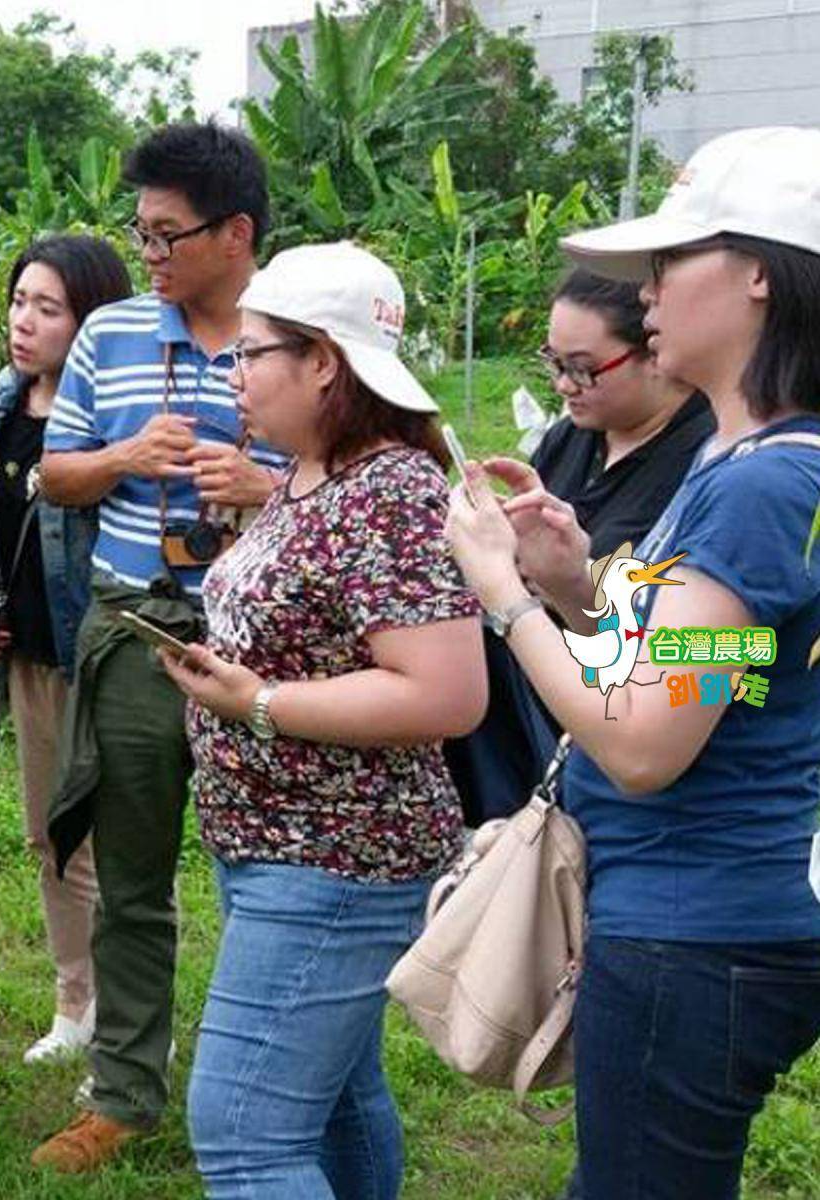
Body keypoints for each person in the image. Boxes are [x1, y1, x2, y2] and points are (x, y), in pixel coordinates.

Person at [446, 125, 820, 1199]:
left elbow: (646, 742)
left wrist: (507, 598)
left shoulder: (759, 484)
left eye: (672, 260)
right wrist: (576, 584)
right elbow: (727, 678)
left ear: (758, 273)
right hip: (714, 919)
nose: (646, 291)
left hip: (693, 934)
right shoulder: (754, 456)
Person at [159, 241, 485, 1198]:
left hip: (336, 858)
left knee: (245, 1130)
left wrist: (256, 702)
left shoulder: (388, 490)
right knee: (335, 1098)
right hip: (278, 843)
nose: (235, 374)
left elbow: (444, 693)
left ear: (323, 362)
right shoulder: (311, 473)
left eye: (251, 353)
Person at [30, 122, 289, 1173]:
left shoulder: (304, 338)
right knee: (131, 878)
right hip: (136, 627)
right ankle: (127, 1093)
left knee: (271, 880)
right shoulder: (116, 335)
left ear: (236, 234)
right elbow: (54, 477)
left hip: (268, 641)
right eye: (139, 232)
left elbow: (380, 487)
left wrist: (267, 489)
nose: (150, 253)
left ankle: (274, 1085)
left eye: (168, 234)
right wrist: (123, 457)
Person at [445, 269, 715, 824]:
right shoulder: (574, 436)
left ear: (656, 351)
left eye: (584, 369)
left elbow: (682, 654)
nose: (565, 385)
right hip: (543, 718)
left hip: (630, 737)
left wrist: (531, 585)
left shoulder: (709, 464)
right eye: (555, 363)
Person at [0, 235, 131, 1064]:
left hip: (97, 655)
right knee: (49, 835)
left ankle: (131, 1010)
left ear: (92, 321)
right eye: (18, 300)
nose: (23, 321)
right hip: (30, 656)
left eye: (47, 307)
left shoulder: (110, 422)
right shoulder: (7, 403)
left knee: (112, 843)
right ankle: (76, 999)